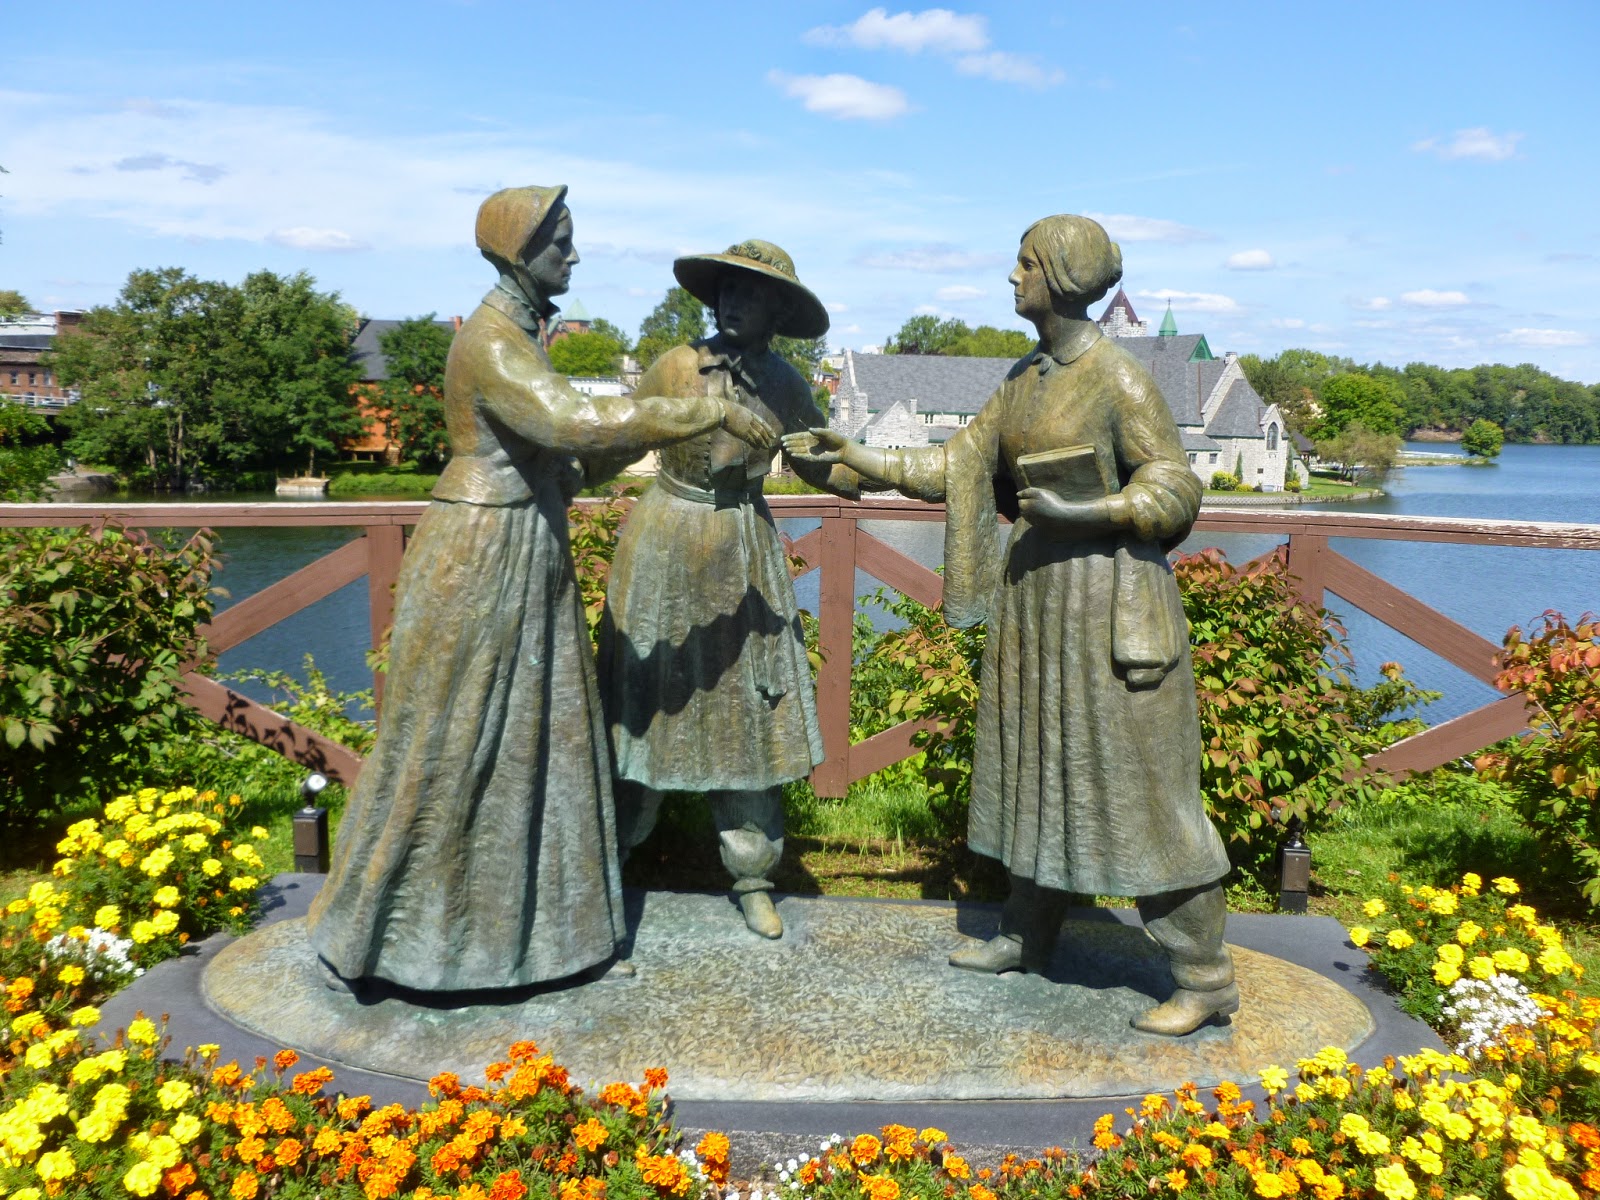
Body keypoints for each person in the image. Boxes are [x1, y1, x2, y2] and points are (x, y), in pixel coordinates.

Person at [305, 186, 773, 992]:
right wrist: (707, 417)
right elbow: (571, 422)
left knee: (531, 738)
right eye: (561, 241)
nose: (574, 255)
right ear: (519, 249)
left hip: (527, 539)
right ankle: (412, 937)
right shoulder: (491, 341)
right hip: (487, 550)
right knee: (460, 734)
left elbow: (570, 452)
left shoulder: (519, 332)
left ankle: (522, 933)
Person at [784, 215, 1236, 1035]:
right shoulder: (1026, 377)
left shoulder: (1115, 377)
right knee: (1036, 766)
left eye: (1024, 264)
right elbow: (957, 464)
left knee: (1141, 790)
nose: (1012, 277)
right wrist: (853, 456)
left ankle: (1205, 976)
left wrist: (1089, 509)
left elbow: (1174, 488)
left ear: (1061, 279)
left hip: (1105, 606)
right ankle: (1030, 933)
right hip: (1038, 607)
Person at [599, 240, 863, 940]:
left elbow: (815, 461)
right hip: (664, 546)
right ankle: (609, 866)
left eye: (751, 292)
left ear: (778, 307)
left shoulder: (782, 381)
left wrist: (868, 472)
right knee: (644, 705)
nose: (733, 301)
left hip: (743, 549)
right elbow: (622, 439)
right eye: (726, 289)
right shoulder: (677, 365)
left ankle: (751, 874)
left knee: (752, 712)